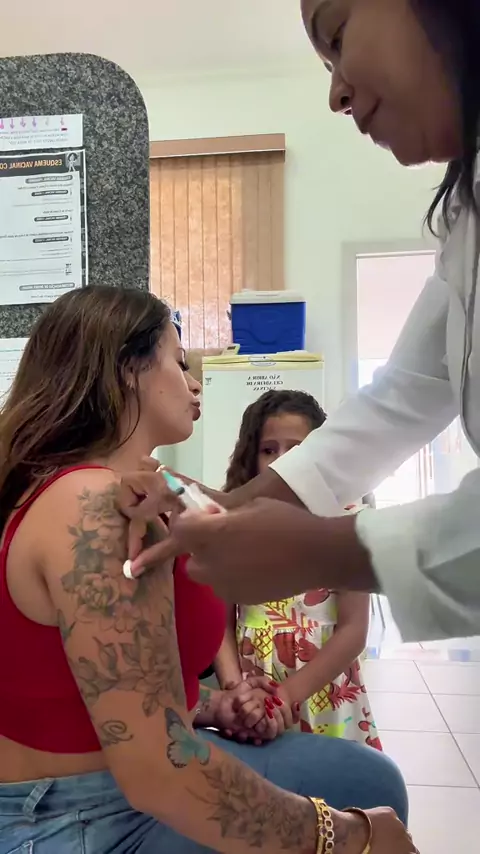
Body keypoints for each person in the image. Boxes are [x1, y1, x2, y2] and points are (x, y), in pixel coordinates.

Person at [0, 286, 411, 854]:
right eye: (179, 362)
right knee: (371, 798)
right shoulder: (96, 508)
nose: (195, 383)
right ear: (127, 370)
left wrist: (210, 703)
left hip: (116, 782)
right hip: (82, 816)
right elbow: (159, 772)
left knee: (369, 777)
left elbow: (97, 682)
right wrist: (342, 836)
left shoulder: (132, 489)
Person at [123, 0, 480, 645]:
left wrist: (323, 548)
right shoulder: (466, 217)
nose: (336, 94)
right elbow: (398, 401)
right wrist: (228, 507)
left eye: (338, 37)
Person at [216, 389, 381, 749]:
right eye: (268, 450)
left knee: (332, 778)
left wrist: (285, 696)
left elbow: (354, 630)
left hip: (325, 691)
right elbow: (219, 624)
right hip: (251, 693)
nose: (282, 462)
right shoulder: (230, 525)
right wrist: (237, 692)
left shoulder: (347, 523)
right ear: (251, 456)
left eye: (297, 449)